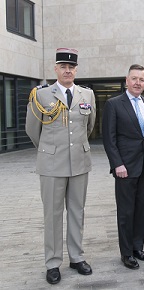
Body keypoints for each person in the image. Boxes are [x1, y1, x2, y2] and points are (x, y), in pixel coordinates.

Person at [25, 48, 96, 284]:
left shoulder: (86, 95)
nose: (68, 70)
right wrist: (49, 149)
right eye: (63, 66)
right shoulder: (42, 95)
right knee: (53, 215)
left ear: (76, 69)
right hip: (52, 164)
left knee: (77, 212)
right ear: (55, 69)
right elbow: (33, 130)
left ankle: (76, 257)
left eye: (72, 67)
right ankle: (53, 262)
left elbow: (89, 127)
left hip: (79, 162)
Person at [102, 64, 144, 270]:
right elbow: (109, 139)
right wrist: (117, 164)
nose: (138, 83)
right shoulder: (114, 104)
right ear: (127, 80)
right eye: (134, 79)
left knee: (142, 210)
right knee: (126, 212)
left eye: (142, 80)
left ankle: (138, 247)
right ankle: (126, 253)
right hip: (125, 168)